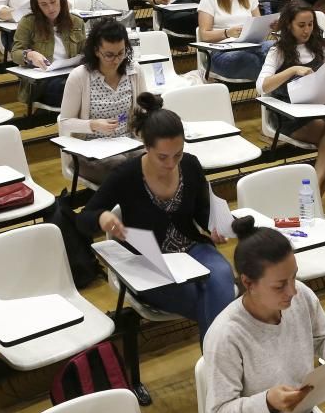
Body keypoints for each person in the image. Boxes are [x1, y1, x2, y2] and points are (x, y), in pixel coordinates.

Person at [80, 92, 235, 340]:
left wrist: (216, 226)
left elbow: (202, 210)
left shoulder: (191, 165)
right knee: (211, 298)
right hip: (149, 260)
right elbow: (85, 218)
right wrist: (102, 218)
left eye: (178, 154)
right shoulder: (126, 176)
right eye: (163, 157)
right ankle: (221, 364)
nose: (172, 163)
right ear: (146, 147)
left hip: (191, 247)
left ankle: (218, 366)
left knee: (222, 277)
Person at [202, 214, 325, 413]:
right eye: (280, 286)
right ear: (248, 283)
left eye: (294, 277)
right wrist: (267, 402)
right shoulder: (226, 334)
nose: (292, 290)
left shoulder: (301, 297)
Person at [257, 1, 325, 194]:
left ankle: (312, 194)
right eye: (301, 25)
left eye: (310, 24)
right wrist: (293, 70)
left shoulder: (320, 47)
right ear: (289, 25)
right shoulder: (278, 51)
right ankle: (313, 193)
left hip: (318, 108)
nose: (307, 30)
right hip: (291, 115)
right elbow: (261, 86)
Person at [59, 20, 147, 184]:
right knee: (122, 166)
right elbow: (65, 122)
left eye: (121, 53)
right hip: (90, 150)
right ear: (96, 51)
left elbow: (143, 112)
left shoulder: (134, 71)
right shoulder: (80, 76)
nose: (116, 60)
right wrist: (93, 125)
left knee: (156, 160)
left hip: (127, 143)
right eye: (109, 55)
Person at [197, 0, 276, 80]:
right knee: (250, 59)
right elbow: (205, 35)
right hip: (222, 52)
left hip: (251, 45)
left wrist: (270, 26)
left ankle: (276, 83)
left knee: (279, 48)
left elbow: (258, 23)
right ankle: (278, 84)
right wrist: (227, 33)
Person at [11, 0, 86, 109]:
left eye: (53, 2)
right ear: (37, 6)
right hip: (43, 81)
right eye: (44, 4)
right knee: (72, 88)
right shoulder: (28, 22)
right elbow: (15, 53)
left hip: (72, 74)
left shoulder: (76, 22)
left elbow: (85, 52)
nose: (50, 8)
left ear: (61, 0)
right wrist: (29, 55)